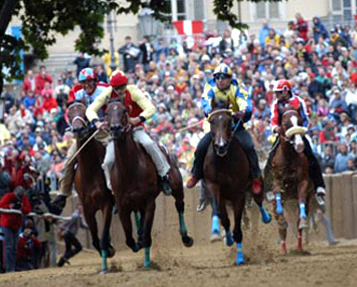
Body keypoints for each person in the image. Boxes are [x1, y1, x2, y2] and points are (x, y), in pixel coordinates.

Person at [86, 70, 172, 195]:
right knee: (108, 161)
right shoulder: (107, 94)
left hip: (135, 129)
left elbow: (150, 108)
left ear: (126, 85)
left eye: (122, 87)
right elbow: (90, 110)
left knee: (149, 144)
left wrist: (138, 119)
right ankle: (112, 189)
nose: (120, 91)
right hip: (116, 134)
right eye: (117, 88)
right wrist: (97, 122)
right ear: (113, 87)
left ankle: (164, 175)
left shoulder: (133, 91)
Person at [185, 63, 263, 200]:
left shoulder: (237, 87)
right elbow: (206, 101)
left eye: (224, 77)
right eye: (217, 77)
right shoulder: (210, 87)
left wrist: (243, 111)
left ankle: (256, 177)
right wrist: (210, 111)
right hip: (217, 127)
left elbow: (245, 101)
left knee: (249, 146)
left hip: (235, 126)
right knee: (201, 147)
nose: (220, 80)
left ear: (229, 78)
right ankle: (196, 174)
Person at [51, 68, 111, 214]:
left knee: (113, 152)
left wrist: (106, 122)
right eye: (84, 82)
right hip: (84, 132)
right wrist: (74, 125)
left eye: (90, 81)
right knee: (70, 159)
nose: (87, 85)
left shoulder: (105, 89)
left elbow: (111, 108)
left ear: (95, 81)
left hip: (102, 130)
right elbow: (70, 112)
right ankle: (63, 194)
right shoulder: (76, 92)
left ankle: (116, 188)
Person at [264, 79, 326, 201]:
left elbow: (306, 119)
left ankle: (319, 186)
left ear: (285, 91)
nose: (276, 95)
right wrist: (275, 129)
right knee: (270, 157)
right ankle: (268, 188)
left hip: (298, 133)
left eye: (278, 92)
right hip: (283, 135)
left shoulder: (299, 101)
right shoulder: (276, 104)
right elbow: (273, 120)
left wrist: (301, 129)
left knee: (310, 156)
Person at [0, 186, 31, 272]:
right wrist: (10, 206)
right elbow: (1, 206)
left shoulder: (24, 198)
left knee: (14, 247)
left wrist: (20, 207)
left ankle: (12, 267)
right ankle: (9, 269)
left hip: (16, 224)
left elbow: (27, 209)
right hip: (7, 224)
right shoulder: (8, 196)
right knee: (9, 246)